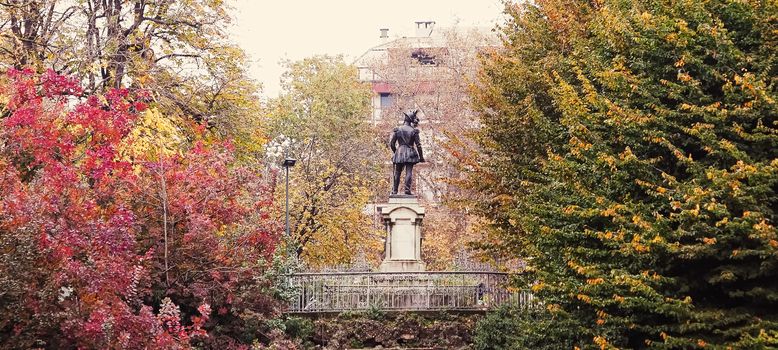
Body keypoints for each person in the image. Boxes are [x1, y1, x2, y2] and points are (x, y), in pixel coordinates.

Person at [389, 110, 424, 195]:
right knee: (409, 172)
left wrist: (396, 152)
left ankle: (395, 190)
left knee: (397, 172)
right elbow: (418, 145)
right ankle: (407, 190)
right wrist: (421, 157)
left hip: (400, 152)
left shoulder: (398, 130)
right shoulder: (414, 131)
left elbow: (392, 143)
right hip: (410, 152)